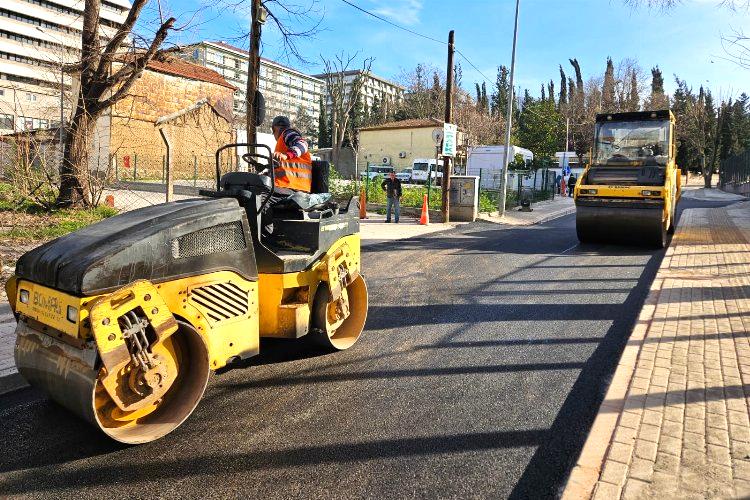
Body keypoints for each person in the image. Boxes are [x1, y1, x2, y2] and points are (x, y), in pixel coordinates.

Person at [262, 116, 312, 236]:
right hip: (286, 186)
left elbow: (303, 144)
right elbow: (284, 169)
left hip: (294, 187)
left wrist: (287, 155)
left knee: (260, 198)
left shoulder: (287, 133)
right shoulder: (283, 143)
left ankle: (266, 239)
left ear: (274, 129)